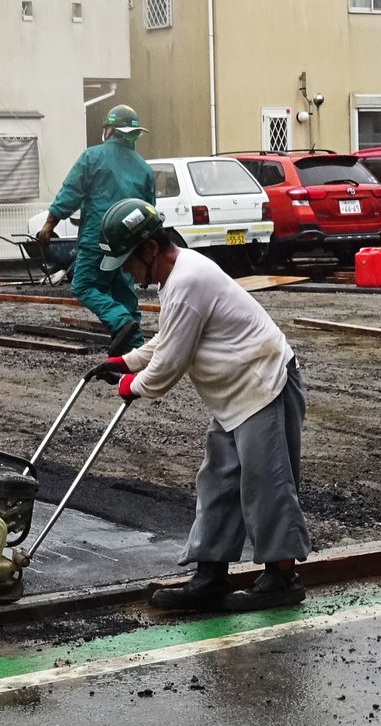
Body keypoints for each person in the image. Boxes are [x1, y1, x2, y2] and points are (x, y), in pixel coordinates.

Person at [92, 196, 310, 613]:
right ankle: (211, 576)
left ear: (151, 250)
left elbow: (171, 364)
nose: (127, 272)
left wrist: (132, 386)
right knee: (219, 482)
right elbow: (168, 339)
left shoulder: (187, 280)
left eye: (128, 262)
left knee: (267, 485)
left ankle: (282, 577)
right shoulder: (179, 278)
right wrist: (128, 361)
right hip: (234, 395)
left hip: (263, 385)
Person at [37, 104, 155, 347]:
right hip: (128, 247)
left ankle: (120, 321)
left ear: (109, 130)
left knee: (84, 285)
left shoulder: (92, 157)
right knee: (124, 296)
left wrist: (50, 224)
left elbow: (70, 193)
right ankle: (133, 357)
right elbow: (148, 214)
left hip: (98, 240)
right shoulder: (144, 168)